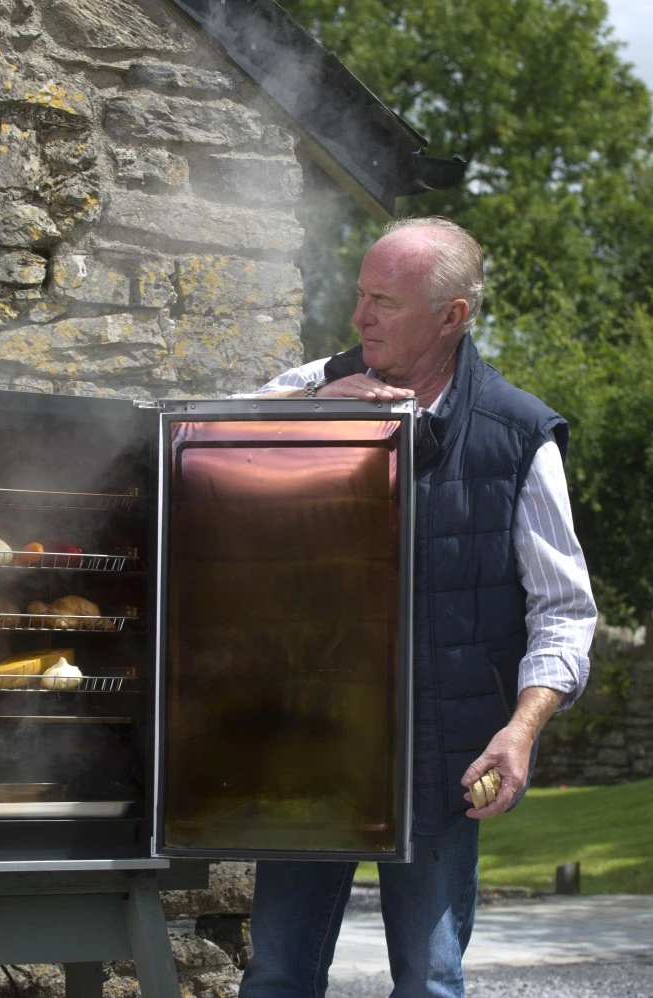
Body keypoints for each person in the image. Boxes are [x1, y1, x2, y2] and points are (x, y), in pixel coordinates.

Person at [239, 217, 598, 998]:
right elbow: (198, 438)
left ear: (451, 316)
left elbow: (565, 612)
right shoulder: (311, 387)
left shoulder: (519, 435)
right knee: (276, 978)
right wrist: (314, 408)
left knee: (430, 983)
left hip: (444, 762)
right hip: (312, 748)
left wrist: (520, 731)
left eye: (385, 302)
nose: (359, 317)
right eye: (360, 295)